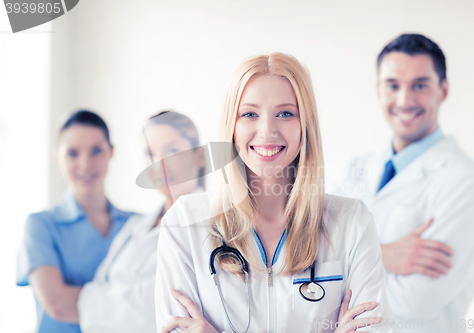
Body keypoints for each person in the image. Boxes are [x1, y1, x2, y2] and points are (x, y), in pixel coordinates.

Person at [155, 53, 396, 333]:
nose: (267, 131)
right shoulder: (183, 223)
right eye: (249, 114)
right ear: (231, 127)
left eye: (285, 113)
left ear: (305, 125)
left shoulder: (352, 222)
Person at [334, 34, 474, 332]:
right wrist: (384, 254)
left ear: (442, 91)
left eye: (420, 85)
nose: (405, 100)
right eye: (393, 85)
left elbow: (416, 301)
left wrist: (344, 264)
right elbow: (310, 260)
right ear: (378, 90)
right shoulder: (358, 168)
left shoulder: (466, 182)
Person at [77, 111, 206, 333]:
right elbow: (88, 298)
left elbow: (155, 313)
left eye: (173, 151)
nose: (160, 165)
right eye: (149, 154)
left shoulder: (211, 228)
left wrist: (100, 303)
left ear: (199, 156)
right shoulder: (134, 226)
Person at [16, 110, 134, 333]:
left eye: (96, 150)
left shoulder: (138, 226)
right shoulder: (41, 226)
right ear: (57, 158)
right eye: (72, 153)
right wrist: (135, 303)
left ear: (111, 152)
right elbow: (58, 305)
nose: (85, 163)